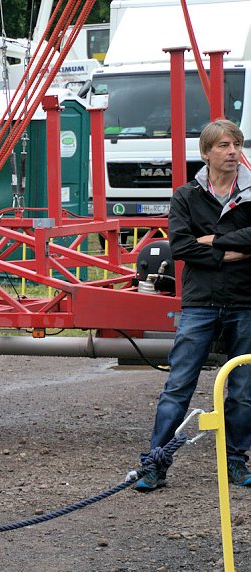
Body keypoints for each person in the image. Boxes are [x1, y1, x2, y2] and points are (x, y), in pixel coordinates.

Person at [135, 119, 251, 491]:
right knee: (178, 385)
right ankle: (155, 463)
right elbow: (181, 246)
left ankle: (236, 462)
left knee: (244, 390)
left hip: (245, 301)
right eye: (223, 145)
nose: (232, 151)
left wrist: (213, 240)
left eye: (236, 143)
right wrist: (230, 253)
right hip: (200, 303)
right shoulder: (185, 195)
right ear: (206, 153)